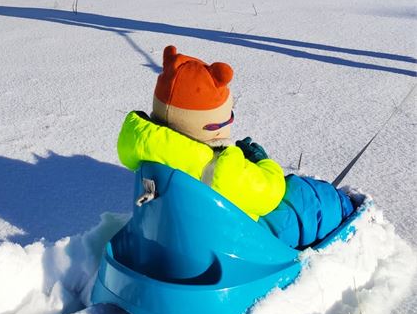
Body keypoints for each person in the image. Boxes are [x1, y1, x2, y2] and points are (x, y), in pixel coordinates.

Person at [117, 44, 354, 249]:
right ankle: (346, 209)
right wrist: (262, 161)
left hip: (173, 235)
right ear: (210, 126)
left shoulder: (141, 146)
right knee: (304, 199)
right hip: (226, 243)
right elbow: (271, 192)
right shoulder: (216, 166)